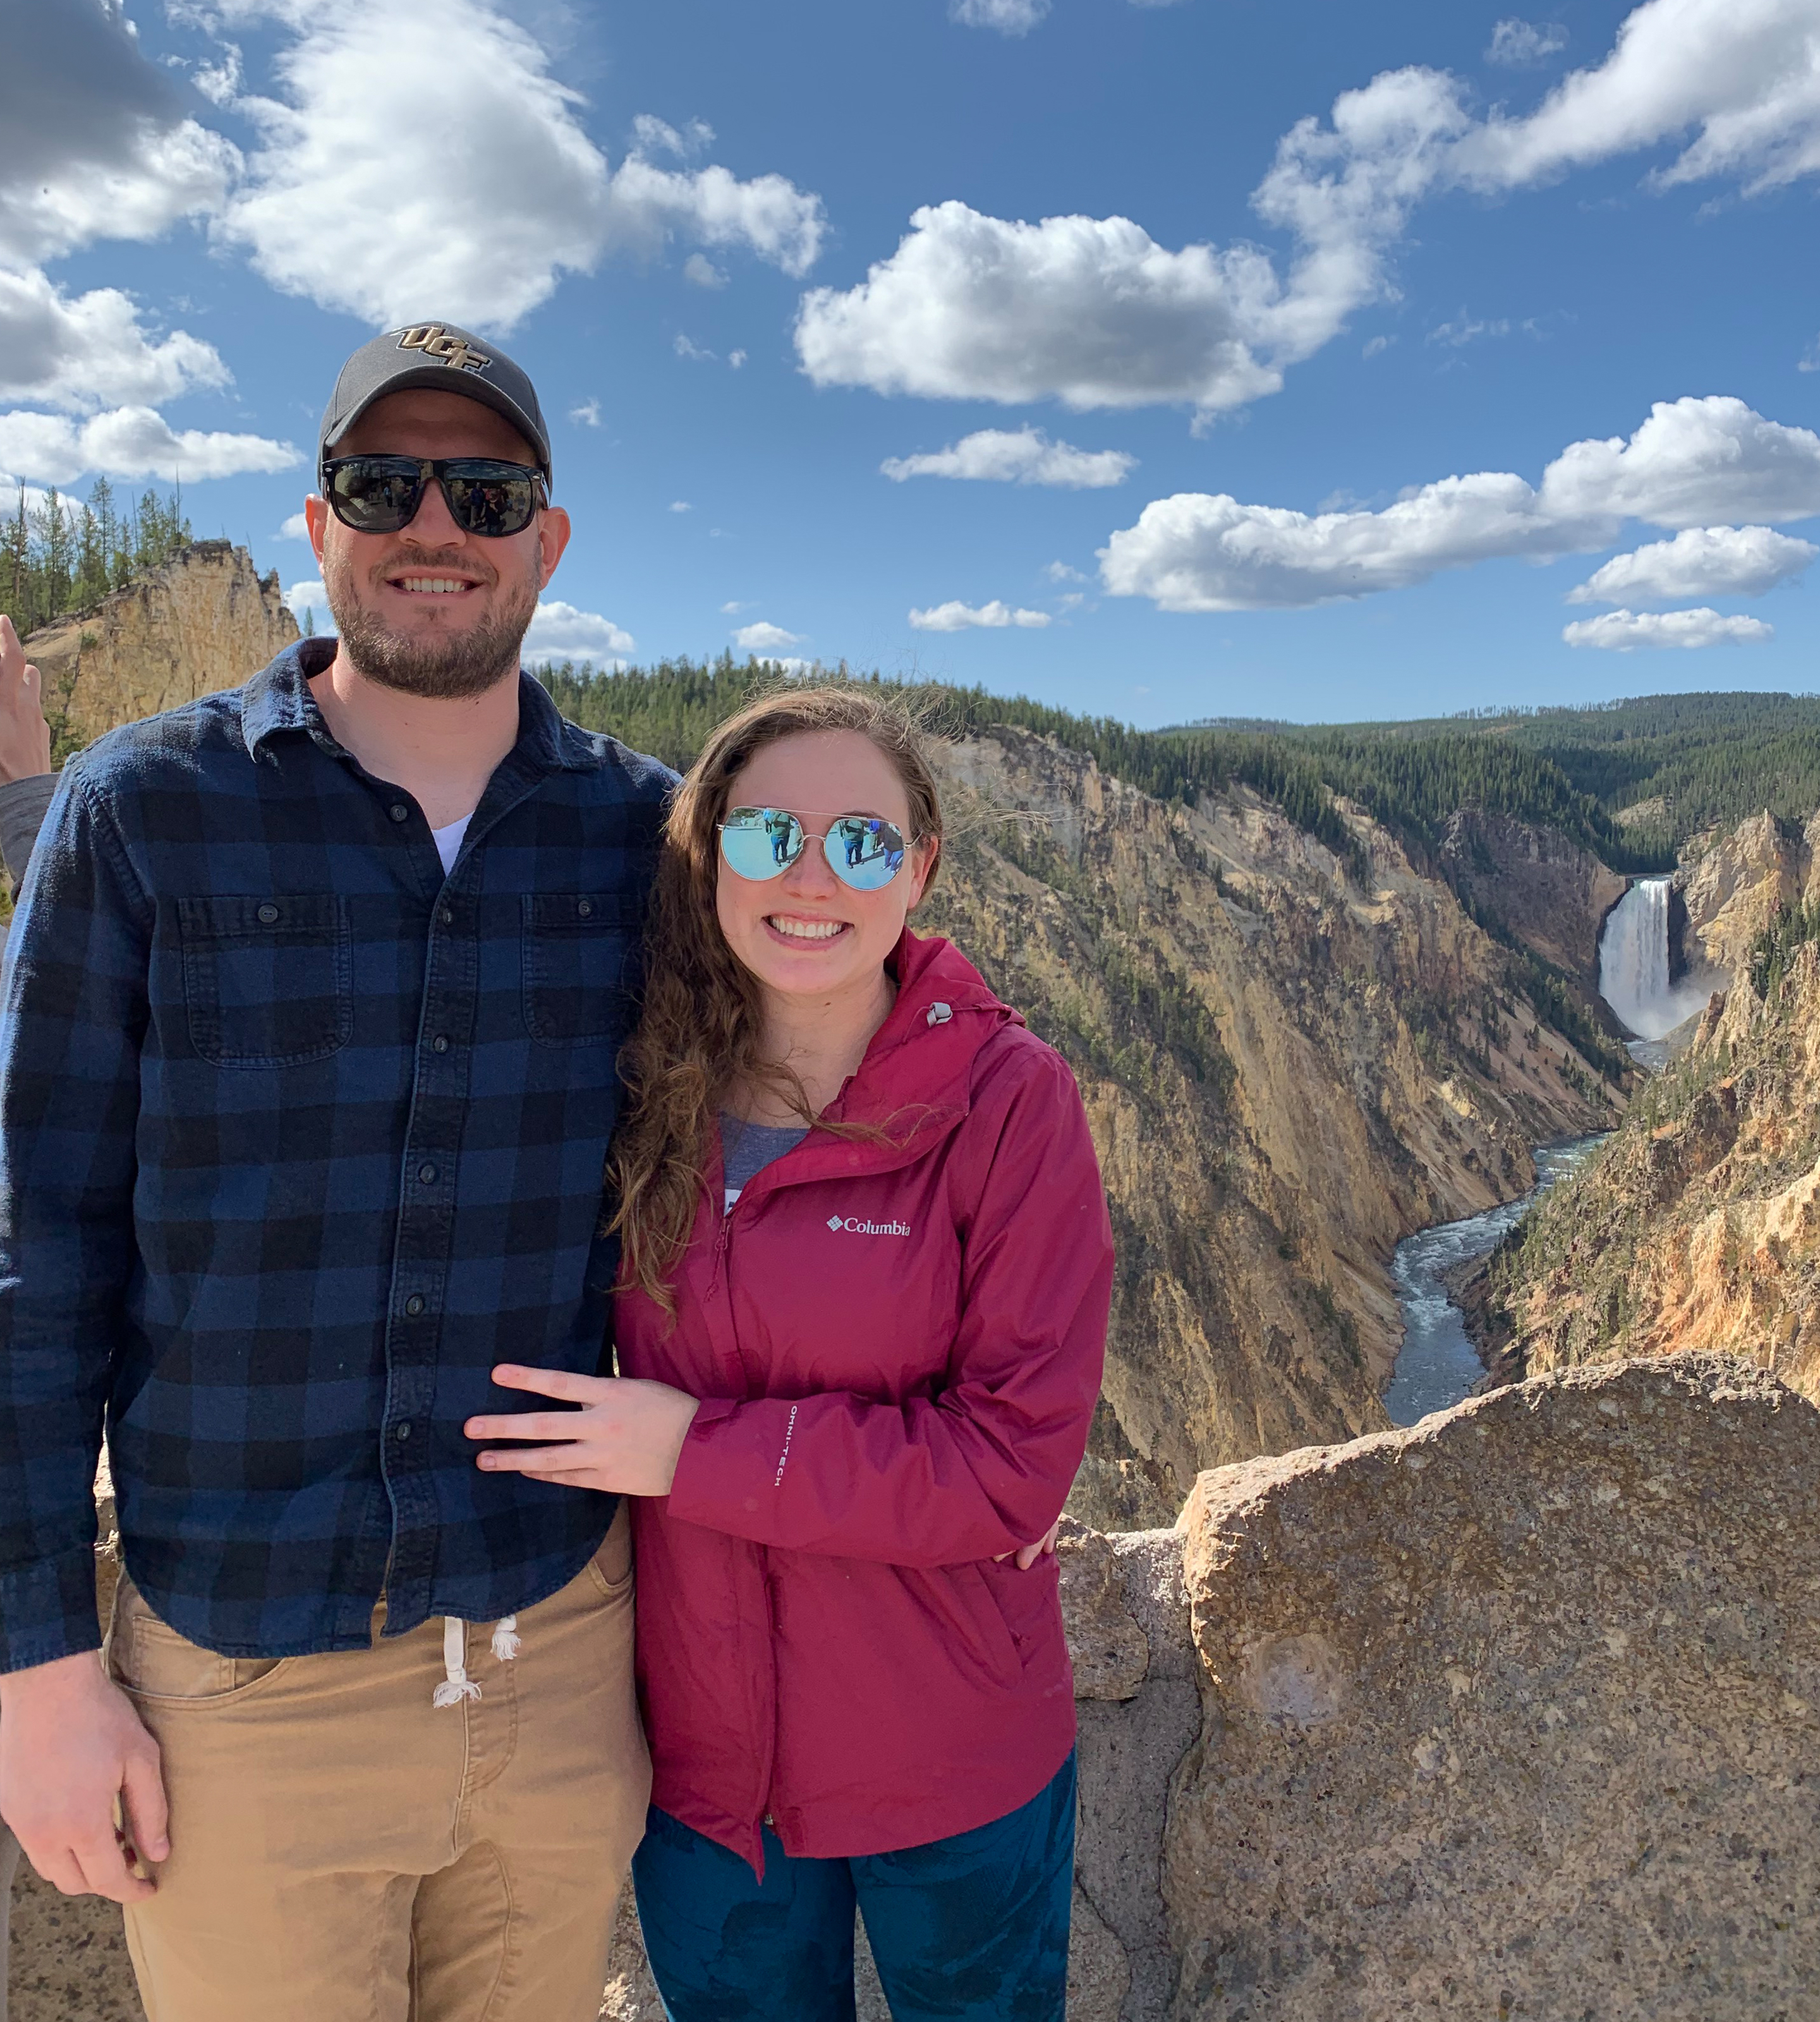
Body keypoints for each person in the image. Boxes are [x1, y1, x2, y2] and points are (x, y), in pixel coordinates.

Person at [0, 323, 669, 2022]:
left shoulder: (647, 843)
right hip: (241, 1685)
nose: (433, 522)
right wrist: (37, 1674)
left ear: (548, 539)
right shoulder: (141, 814)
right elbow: (32, 1250)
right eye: (385, 483)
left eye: (487, 487)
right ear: (319, 526)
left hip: (560, 1655)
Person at [466, 686, 1114, 2020]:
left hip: (951, 1750)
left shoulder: (1009, 1102)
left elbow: (1009, 1470)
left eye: (863, 844)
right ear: (709, 856)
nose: (812, 878)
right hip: (709, 1776)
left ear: (920, 868)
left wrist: (686, 1451)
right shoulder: (639, 1089)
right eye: (766, 837)